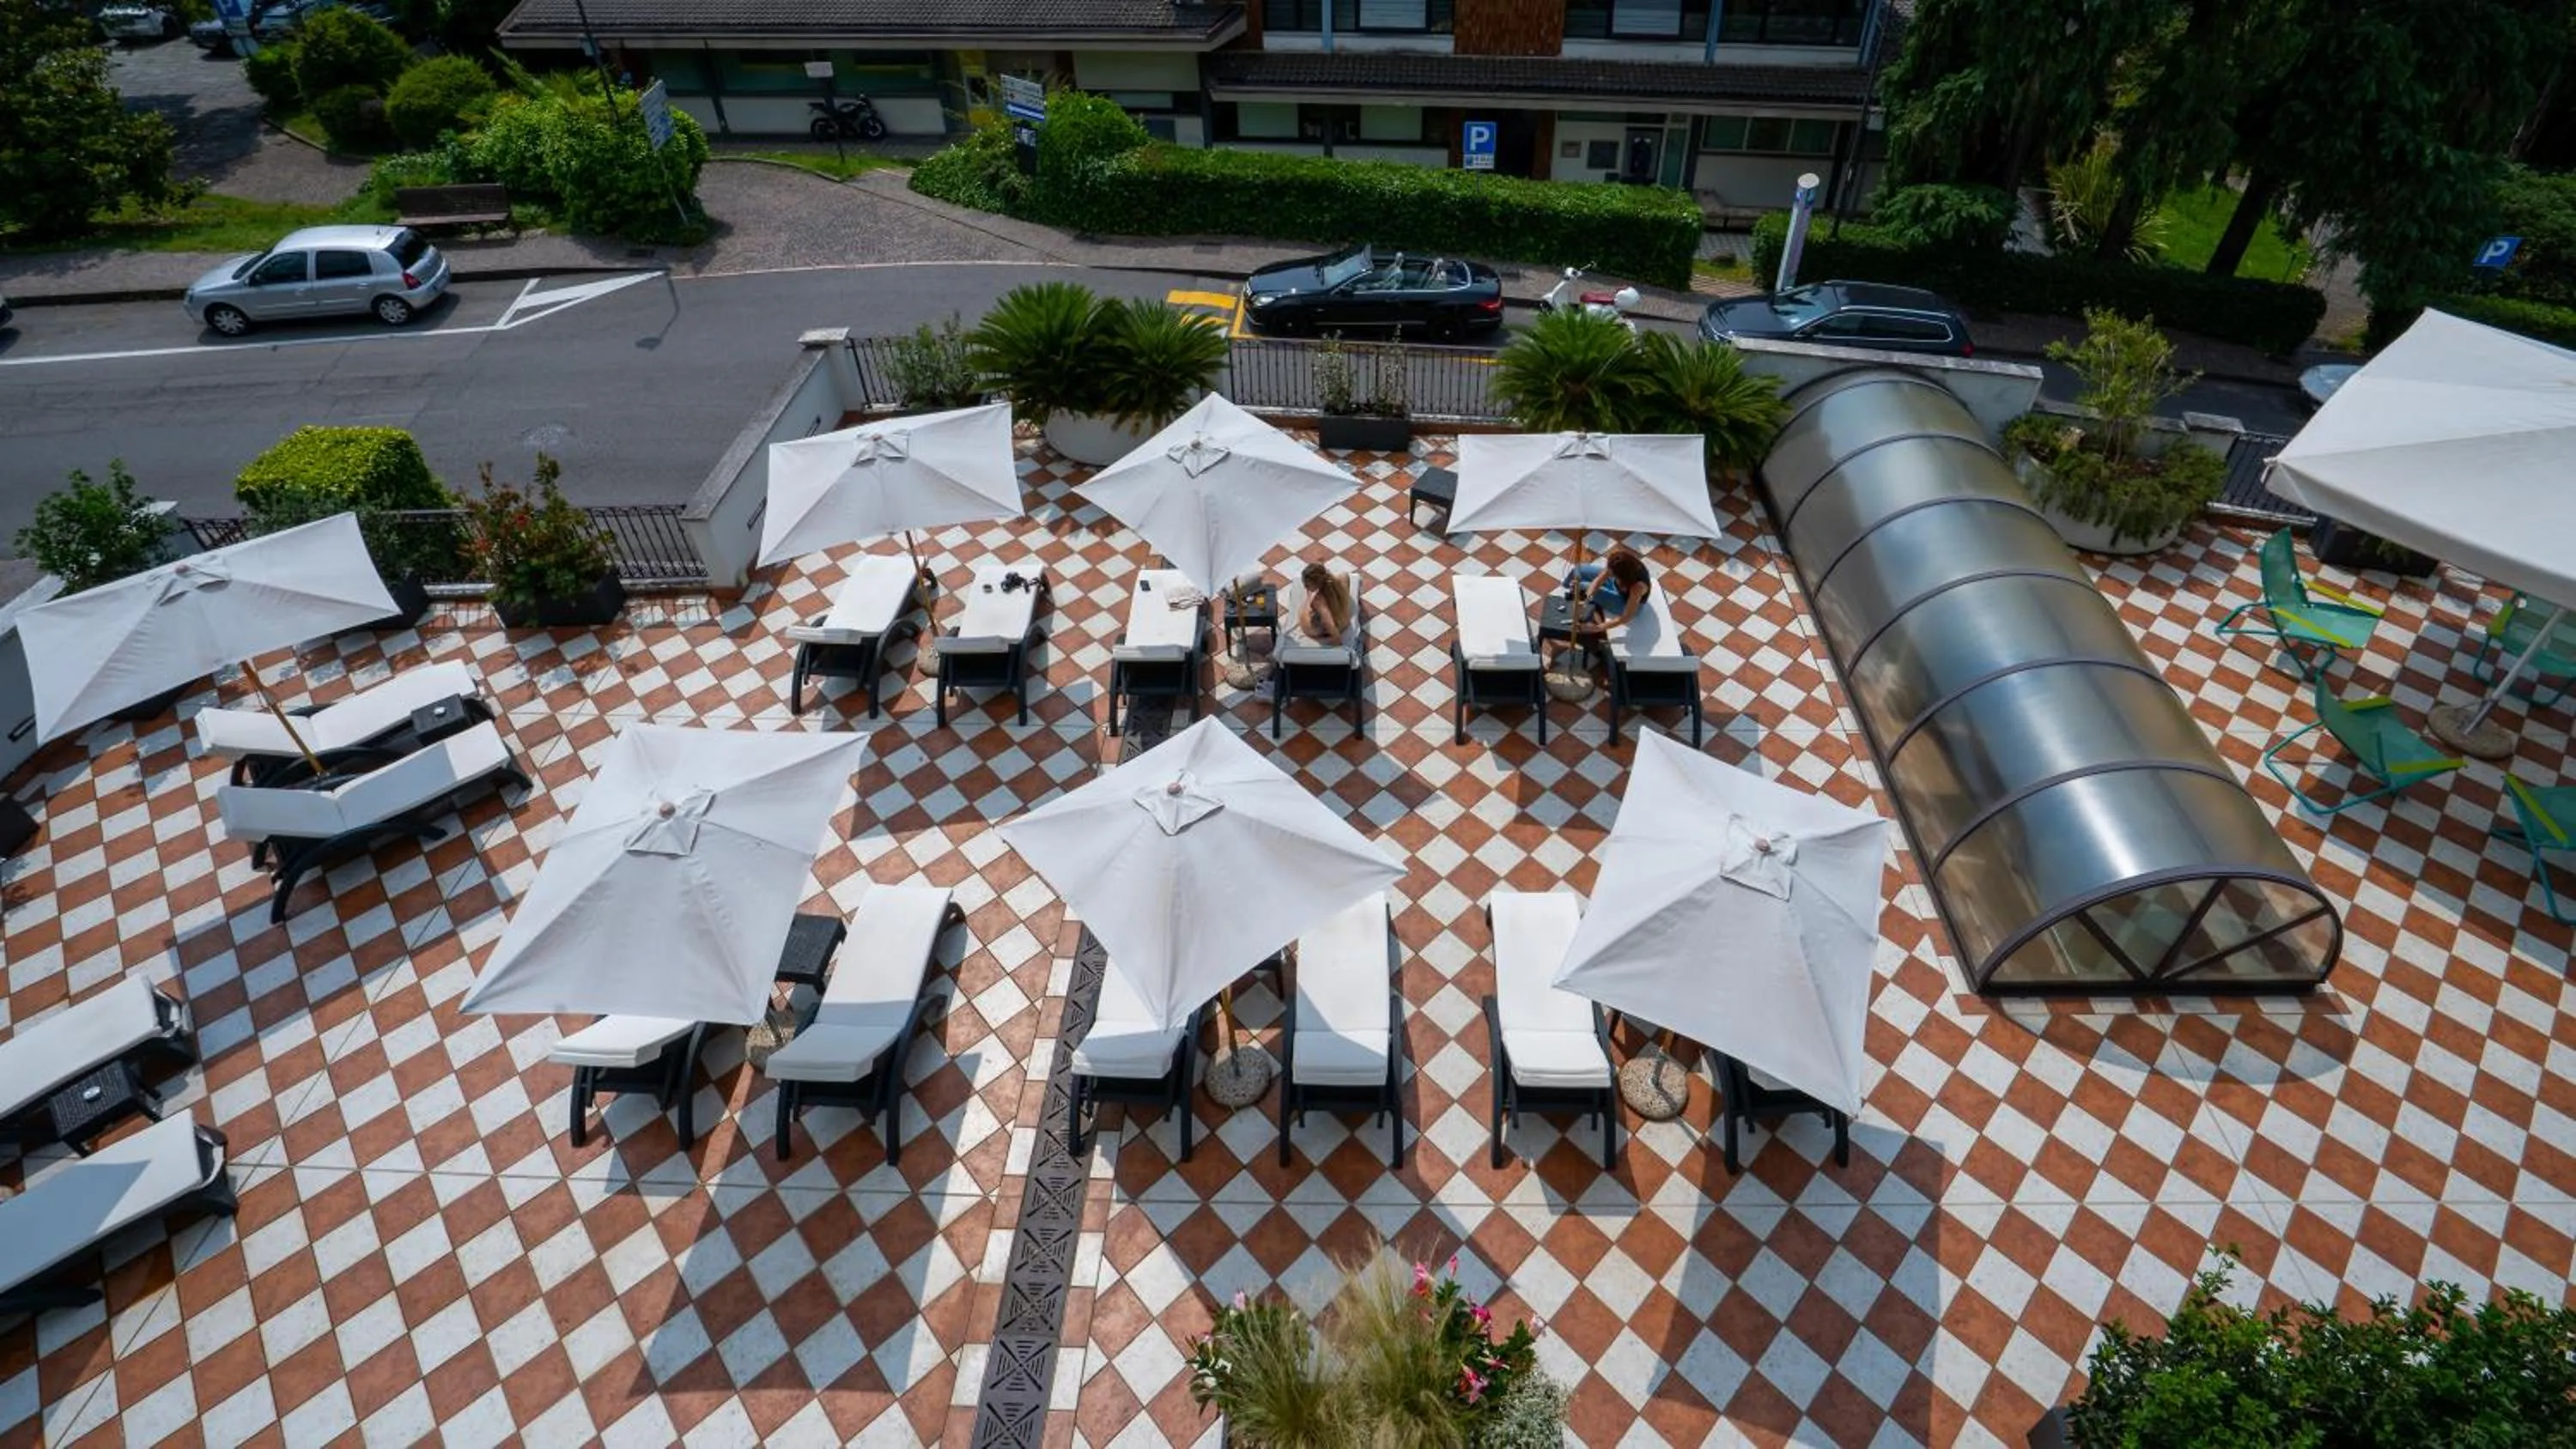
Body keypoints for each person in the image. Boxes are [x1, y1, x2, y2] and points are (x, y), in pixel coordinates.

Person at [1564, 546, 1651, 640]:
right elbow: (1599, 580)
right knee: (1578, 570)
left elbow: (1626, 617)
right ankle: (1567, 586)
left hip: (1625, 604)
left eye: (1612, 573)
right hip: (1617, 585)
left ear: (1621, 576)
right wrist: (1586, 600)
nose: (1608, 573)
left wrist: (1597, 628)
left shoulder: (1637, 588)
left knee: (1582, 586)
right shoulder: (1618, 562)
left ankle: (1574, 593)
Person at [1297, 561, 1352, 646]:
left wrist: (1337, 641)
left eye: (1307, 585)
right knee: (1344, 576)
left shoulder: (1318, 600)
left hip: (1321, 631)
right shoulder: (1336, 583)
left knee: (1307, 604)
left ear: (1317, 584)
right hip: (1343, 623)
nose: (1305, 587)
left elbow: (1328, 622)